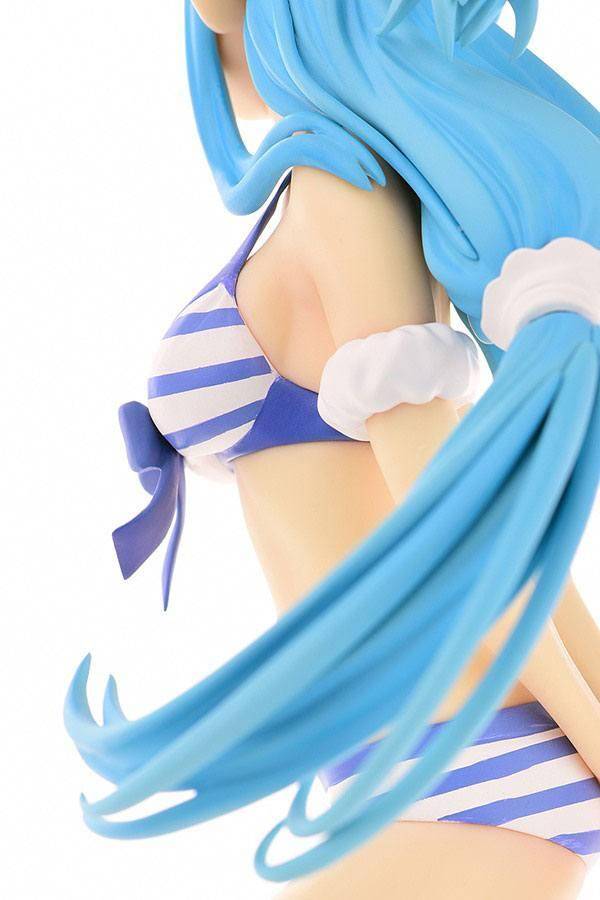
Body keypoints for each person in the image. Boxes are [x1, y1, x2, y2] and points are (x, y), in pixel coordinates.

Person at [65, 2, 600, 897]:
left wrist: (592, 727)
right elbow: (478, 512)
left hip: (467, 761)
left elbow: (461, 518)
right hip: (404, 757)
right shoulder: (323, 189)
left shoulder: (344, 190)